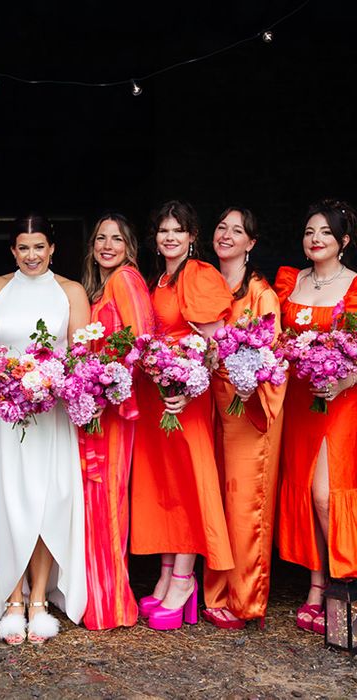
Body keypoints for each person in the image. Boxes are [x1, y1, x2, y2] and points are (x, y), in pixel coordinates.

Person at [0, 214, 90, 645]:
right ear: (12, 251)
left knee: (46, 502)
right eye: (23, 247)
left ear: (53, 248)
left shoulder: (71, 292)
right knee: (9, 501)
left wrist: (50, 381)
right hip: (5, 413)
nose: (31, 255)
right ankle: (11, 599)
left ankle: (39, 597)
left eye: (39, 246)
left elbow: (81, 358)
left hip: (51, 413)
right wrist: (8, 379)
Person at [131, 200, 234, 631]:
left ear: (193, 236)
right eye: (162, 231)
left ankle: (183, 580)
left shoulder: (200, 276)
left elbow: (217, 343)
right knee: (165, 485)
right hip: (160, 397)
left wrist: (190, 389)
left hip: (186, 399)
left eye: (178, 230)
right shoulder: (159, 280)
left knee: (189, 485)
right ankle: (164, 574)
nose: (169, 237)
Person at [274, 199, 357, 635]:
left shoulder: (355, 287)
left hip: (340, 400)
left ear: (343, 242)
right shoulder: (291, 281)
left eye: (325, 233)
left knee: (327, 494)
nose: (315, 239)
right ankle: (315, 583)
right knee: (305, 490)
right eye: (309, 231)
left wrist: (345, 381)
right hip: (298, 400)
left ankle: (342, 581)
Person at [202, 207, 285, 630]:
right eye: (221, 228)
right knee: (213, 500)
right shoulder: (205, 285)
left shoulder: (261, 295)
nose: (227, 235)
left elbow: (272, 359)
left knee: (242, 504)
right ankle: (213, 594)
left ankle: (243, 599)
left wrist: (248, 382)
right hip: (207, 406)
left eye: (237, 231)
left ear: (251, 243)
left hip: (245, 408)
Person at [78, 213, 155, 630]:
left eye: (116, 239)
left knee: (107, 500)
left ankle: (111, 605)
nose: (107, 245)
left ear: (129, 246)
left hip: (114, 408)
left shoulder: (126, 279)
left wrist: (107, 386)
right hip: (96, 407)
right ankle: (96, 594)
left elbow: (140, 343)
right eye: (100, 238)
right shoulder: (101, 287)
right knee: (96, 499)